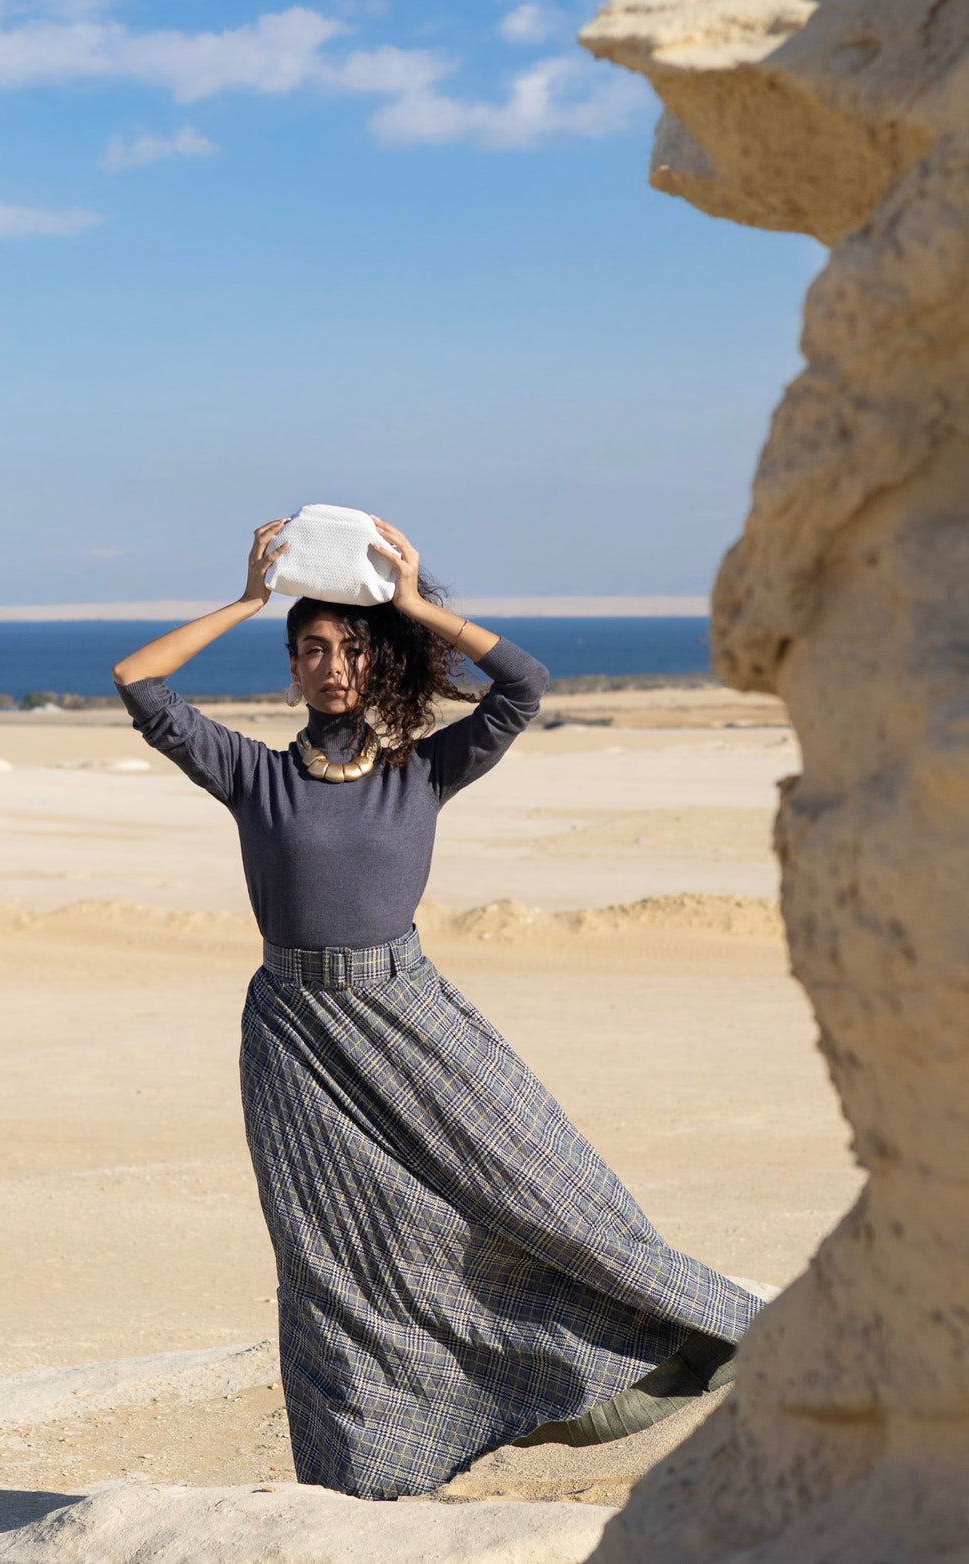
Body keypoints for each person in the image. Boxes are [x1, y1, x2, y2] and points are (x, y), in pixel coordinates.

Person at [112, 516, 762, 1502]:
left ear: (377, 661)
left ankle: (691, 1335)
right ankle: (361, 1485)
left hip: (412, 1017)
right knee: (334, 1263)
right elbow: (138, 682)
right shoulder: (256, 775)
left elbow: (526, 684)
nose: (335, 666)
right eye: (315, 649)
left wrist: (416, 603)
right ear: (291, 665)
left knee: (548, 1189)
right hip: (296, 1038)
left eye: (352, 647)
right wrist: (250, 597)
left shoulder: (425, 769)